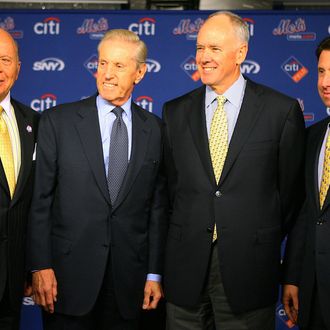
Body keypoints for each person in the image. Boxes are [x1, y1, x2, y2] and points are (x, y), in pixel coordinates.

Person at [162, 11, 305, 330]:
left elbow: (290, 199)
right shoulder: (174, 112)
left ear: (241, 53)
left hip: (249, 272)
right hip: (185, 274)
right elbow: (173, 192)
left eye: (214, 48)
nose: (203, 57)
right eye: (200, 48)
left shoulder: (280, 112)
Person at [27, 29, 167, 330]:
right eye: (103, 64)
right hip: (66, 281)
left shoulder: (155, 130)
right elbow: (40, 202)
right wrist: (40, 265)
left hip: (129, 285)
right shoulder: (58, 122)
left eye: (118, 66)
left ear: (140, 73)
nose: (107, 74)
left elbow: (156, 208)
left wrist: (154, 274)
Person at [283, 36, 330, 330]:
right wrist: (292, 276)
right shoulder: (313, 136)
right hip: (312, 293)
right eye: (322, 71)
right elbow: (306, 215)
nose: (326, 82)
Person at [0, 28, 39, 329]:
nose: (0, 68)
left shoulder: (33, 122)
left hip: (14, 277)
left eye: (5, 60)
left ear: (18, 68)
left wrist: (30, 266)